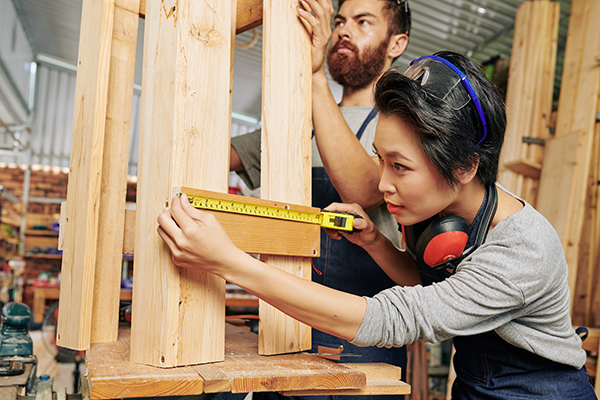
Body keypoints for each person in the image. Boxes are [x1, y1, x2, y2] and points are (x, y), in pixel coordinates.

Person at [157, 51, 598, 399]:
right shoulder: (443, 218)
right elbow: (427, 284)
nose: (382, 183)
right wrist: (374, 241)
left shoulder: (523, 251)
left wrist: (228, 262)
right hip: (475, 389)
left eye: (400, 167)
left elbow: (397, 317)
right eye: (380, 159)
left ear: (464, 166)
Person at [230, 0, 411, 398]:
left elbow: (362, 189)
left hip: (364, 337)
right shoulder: (298, 117)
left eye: (363, 22)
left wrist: (314, 78)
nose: (343, 31)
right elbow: (220, 152)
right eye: (340, 21)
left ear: (397, 43)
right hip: (284, 323)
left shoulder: (401, 122)